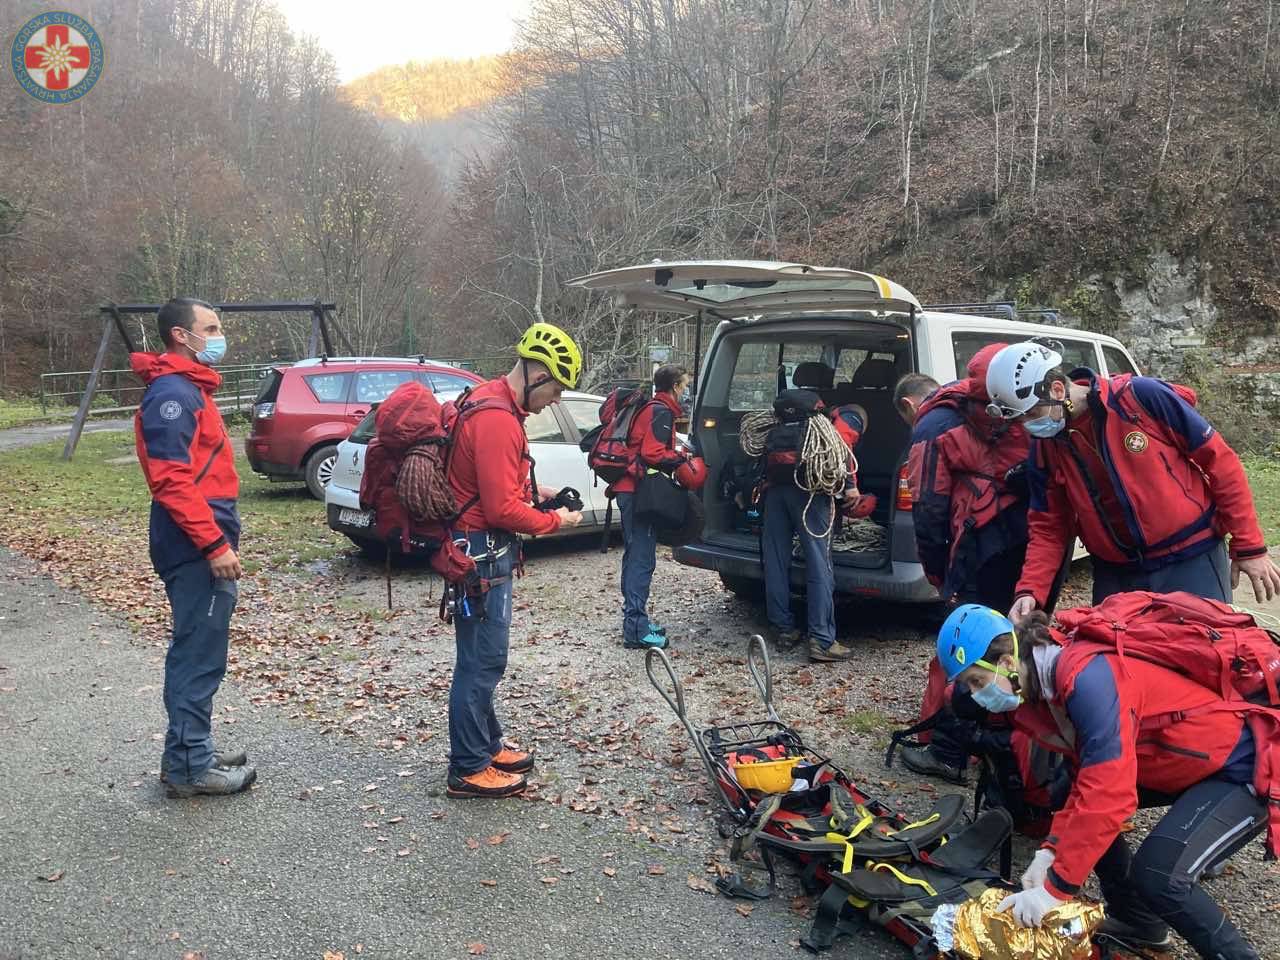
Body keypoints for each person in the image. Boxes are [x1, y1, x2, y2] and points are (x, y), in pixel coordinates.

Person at [935, 602, 1271, 959]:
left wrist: (1056, 889)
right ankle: (1139, 922)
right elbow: (1086, 778)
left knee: (1159, 874)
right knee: (1066, 789)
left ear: (1004, 662)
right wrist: (1051, 851)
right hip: (1181, 761)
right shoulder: (1040, 690)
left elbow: (1109, 795)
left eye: (976, 681)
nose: (976, 695)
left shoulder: (1088, 679)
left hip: (1243, 765)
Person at [984, 342, 1280, 620]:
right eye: (1020, 420)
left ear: (1058, 389)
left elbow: (1221, 463)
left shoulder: (1140, 398)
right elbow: (1049, 525)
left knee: (1203, 658)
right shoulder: (1045, 446)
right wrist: (1031, 590)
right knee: (1123, 664)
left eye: (1032, 414)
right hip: (1117, 574)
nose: (1028, 427)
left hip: (1191, 558)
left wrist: (1249, 546)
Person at [444, 321, 584, 799]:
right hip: (481, 556)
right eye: (558, 387)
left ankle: (488, 744)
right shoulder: (497, 419)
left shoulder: (489, 400)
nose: (559, 399)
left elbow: (494, 485)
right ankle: (467, 767)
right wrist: (555, 522)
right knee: (482, 663)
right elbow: (502, 509)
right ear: (539, 371)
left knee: (481, 659)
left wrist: (540, 492)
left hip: (478, 548)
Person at [131, 297, 254, 798]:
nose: (219, 335)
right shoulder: (173, 395)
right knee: (198, 654)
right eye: (212, 327)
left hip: (204, 529)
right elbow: (170, 479)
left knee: (202, 648)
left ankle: (190, 746)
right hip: (193, 538)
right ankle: (188, 765)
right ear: (182, 335)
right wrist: (213, 544)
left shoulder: (190, 389)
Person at [895, 347, 1036, 784]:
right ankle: (1014, 744)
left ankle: (949, 751)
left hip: (982, 545)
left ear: (908, 406)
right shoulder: (1019, 410)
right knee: (1019, 643)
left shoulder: (934, 424)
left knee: (967, 644)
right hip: (1034, 542)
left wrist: (938, 573)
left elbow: (929, 508)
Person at [757, 385, 857, 663]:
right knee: (818, 562)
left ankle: (784, 629)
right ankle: (822, 640)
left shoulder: (773, 431)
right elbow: (839, 459)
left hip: (776, 493)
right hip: (811, 495)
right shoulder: (822, 429)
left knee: (776, 560)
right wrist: (850, 488)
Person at [607, 364, 705, 650]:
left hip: (628, 490)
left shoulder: (649, 408)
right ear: (675, 386)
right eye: (684, 385)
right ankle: (636, 630)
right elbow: (651, 453)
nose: (685, 390)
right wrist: (680, 461)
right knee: (642, 560)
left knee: (634, 556)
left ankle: (634, 622)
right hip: (639, 495)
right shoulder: (661, 411)